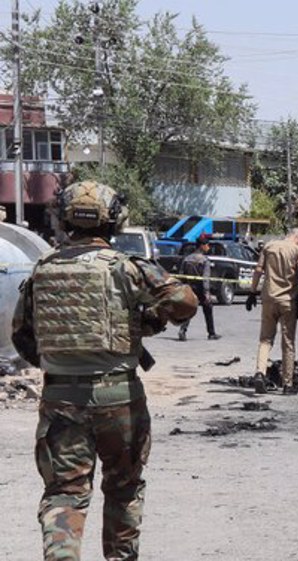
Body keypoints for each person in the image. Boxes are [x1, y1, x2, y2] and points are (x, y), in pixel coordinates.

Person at [11, 181, 197, 561]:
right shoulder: (127, 268)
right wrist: (147, 320)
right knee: (124, 489)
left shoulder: (43, 270)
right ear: (114, 220)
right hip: (120, 398)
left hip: (61, 399)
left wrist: (58, 366)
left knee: (65, 494)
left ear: (64, 219)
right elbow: (185, 303)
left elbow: (22, 337)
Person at [248, 228, 298, 394]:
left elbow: (258, 270)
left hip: (268, 299)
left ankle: (259, 373)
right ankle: (287, 384)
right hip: (287, 302)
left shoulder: (269, 246)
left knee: (265, 339)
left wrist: (252, 292)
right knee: (288, 343)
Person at [178, 234, 220, 341]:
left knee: (189, 309)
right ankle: (211, 333)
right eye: (207, 245)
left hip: (189, 288)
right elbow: (205, 278)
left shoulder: (187, 259)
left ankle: (182, 330)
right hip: (200, 288)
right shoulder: (204, 260)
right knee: (208, 308)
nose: (208, 247)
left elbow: (181, 275)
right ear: (202, 246)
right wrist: (207, 294)